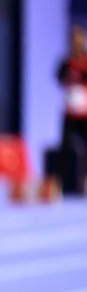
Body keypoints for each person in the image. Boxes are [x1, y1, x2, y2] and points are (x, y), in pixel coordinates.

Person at [47, 24, 87, 196]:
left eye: (79, 40)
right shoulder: (66, 62)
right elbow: (58, 77)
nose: (76, 43)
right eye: (73, 40)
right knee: (64, 149)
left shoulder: (85, 62)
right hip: (69, 112)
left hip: (84, 112)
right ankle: (58, 184)